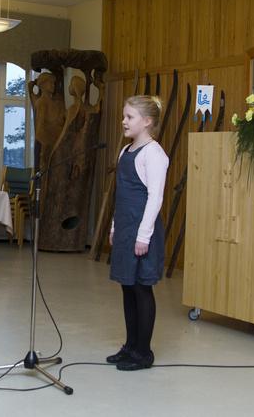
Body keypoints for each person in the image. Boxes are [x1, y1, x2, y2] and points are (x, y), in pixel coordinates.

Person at [107, 95, 169, 371]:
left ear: (147, 122)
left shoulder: (154, 154)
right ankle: (130, 346)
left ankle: (144, 353)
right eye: (124, 116)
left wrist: (143, 236)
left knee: (142, 289)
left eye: (129, 117)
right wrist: (114, 226)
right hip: (125, 229)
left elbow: (155, 198)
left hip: (143, 232)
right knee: (127, 287)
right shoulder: (125, 151)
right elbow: (121, 195)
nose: (124, 121)